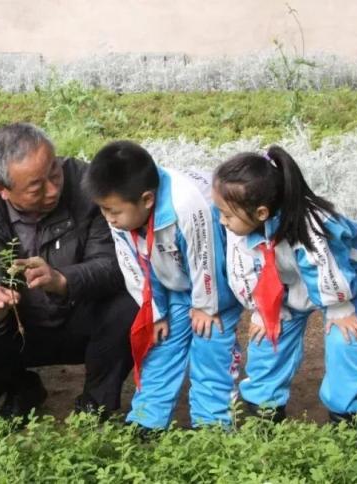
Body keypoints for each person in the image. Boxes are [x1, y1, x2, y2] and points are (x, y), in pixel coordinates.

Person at [0, 123, 138, 418]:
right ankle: (21, 388)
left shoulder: (87, 185)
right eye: (36, 188)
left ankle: (96, 403)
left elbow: (115, 264)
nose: (53, 190)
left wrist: (64, 279)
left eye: (54, 173)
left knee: (130, 307)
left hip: (78, 317)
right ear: (2, 189)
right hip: (14, 330)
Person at [212, 145, 357, 428]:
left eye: (227, 215)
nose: (222, 221)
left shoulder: (311, 224)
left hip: (344, 284)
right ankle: (266, 419)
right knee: (267, 342)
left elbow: (327, 266)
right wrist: (262, 310)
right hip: (287, 283)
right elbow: (241, 271)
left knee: (345, 342)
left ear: (261, 212)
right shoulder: (240, 227)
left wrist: (339, 308)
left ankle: (346, 427)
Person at [84, 140, 242, 430]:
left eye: (113, 211)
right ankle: (147, 422)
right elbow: (132, 265)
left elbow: (206, 258)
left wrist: (206, 306)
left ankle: (213, 427)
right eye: (103, 210)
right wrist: (156, 313)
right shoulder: (120, 213)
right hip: (172, 283)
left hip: (216, 287)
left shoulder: (189, 204)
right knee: (161, 347)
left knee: (210, 346)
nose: (109, 218)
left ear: (147, 200)